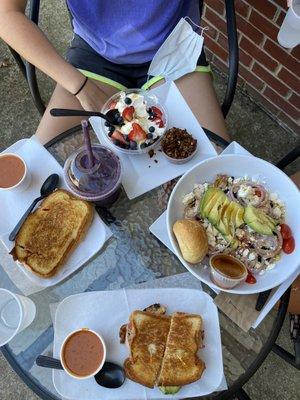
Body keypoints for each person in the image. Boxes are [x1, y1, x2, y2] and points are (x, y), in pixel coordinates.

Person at [0, 0, 228, 145]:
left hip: (176, 49)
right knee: (45, 175)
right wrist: (80, 86)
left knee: (218, 176)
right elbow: (6, 14)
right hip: (95, 57)